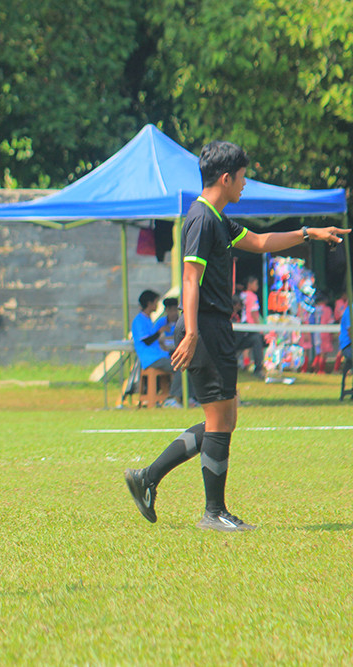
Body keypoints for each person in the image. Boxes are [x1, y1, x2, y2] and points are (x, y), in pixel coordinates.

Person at [124, 140, 348, 532]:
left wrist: (309, 232)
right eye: (243, 178)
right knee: (220, 419)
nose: (245, 185)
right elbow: (189, 279)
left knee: (223, 419)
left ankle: (147, 478)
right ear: (226, 178)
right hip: (205, 329)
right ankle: (212, 513)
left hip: (214, 327)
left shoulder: (217, 218)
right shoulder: (200, 218)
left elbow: (260, 242)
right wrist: (191, 332)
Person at [132, 290, 183, 407]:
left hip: (159, 355)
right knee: (181, 367)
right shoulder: (139, 320)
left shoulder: (148, 319)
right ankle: (172, 398)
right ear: (149, 304)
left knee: (188, 363)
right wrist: (159, 332)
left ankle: (186, 398)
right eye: (155, 302)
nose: (157, 306)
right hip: (151, 358)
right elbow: (147, 341)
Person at [235, 275, 265, 378]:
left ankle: (246, 364)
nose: (257, 286)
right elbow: (254, 313)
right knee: (257, 341)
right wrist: (259, 327)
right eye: (256, 284)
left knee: (249, 345)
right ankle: (258, 368)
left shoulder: (242, 295)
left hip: (241, 326)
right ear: (249, 284)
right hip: (250, 325)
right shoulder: (253, 296)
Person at [311, 294, 334, 374]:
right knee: (324, 352)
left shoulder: (314, 309)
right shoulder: (327, 309)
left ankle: (315, 368)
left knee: (318, 351)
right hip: (324, 332)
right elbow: (330, 321)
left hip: (315, 332)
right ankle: (321, 369)